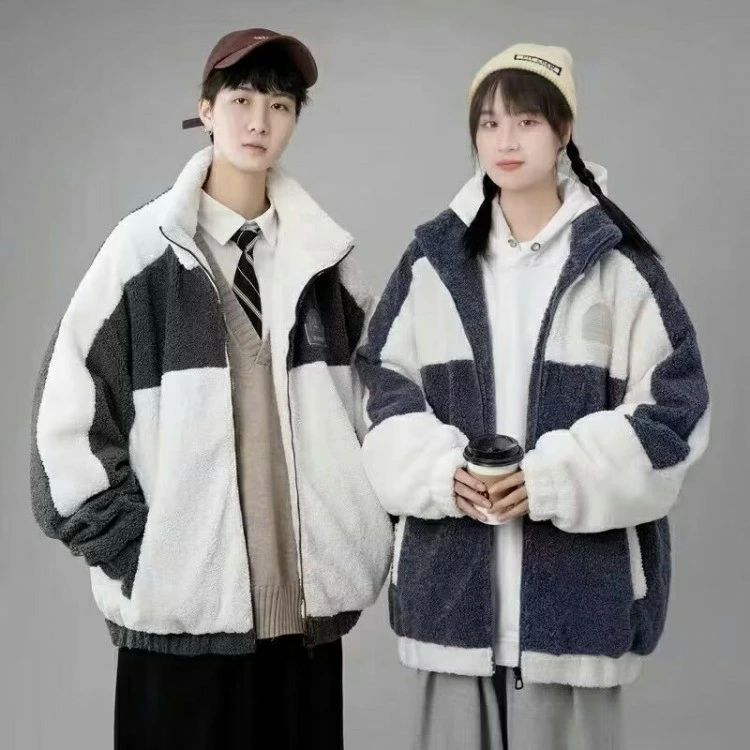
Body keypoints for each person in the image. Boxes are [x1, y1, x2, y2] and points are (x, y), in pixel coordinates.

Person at [30, 27, 392, 750]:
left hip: (305, 631)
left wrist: (366, 537)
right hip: (179, 634)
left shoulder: (327, 264)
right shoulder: (140, 256)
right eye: (242, 100)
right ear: (206, 110)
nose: (260, 121)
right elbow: (63, 431)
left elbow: (387, 413)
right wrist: (150, 561)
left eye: (281, 106)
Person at [357, 43, 710, 749]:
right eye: (489, 124)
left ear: (563, 130)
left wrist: (554, 481)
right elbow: (376, 387)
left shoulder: (619, 268)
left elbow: (676, 411)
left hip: (579, 609)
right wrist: (440, 473)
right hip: (452, 604)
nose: (506, 141)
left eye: (526, 121)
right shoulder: (431, 265)